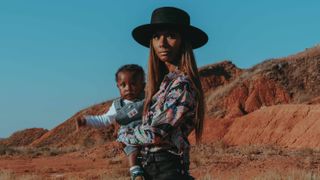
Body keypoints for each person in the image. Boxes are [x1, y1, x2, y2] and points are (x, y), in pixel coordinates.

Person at [116, 7, 208, 180]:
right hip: (152, 168)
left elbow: (156, 133)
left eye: (171, 36)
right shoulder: (160, 87)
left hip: (168, 169)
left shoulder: (182, 85)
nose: (162, 43)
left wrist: (123, 135)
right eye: (156, 36)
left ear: (183, 41)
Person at [76, 64, 146, 180]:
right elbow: (105, 119)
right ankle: (135, 171)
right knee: (131, 150)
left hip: (147, 135)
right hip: (130, 137)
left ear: (143, 85)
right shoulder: (118, 106)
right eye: (123, 85)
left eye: (133, 84)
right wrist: (86, 121)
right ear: (118, 87)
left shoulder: (147, 99)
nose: (128, 88)